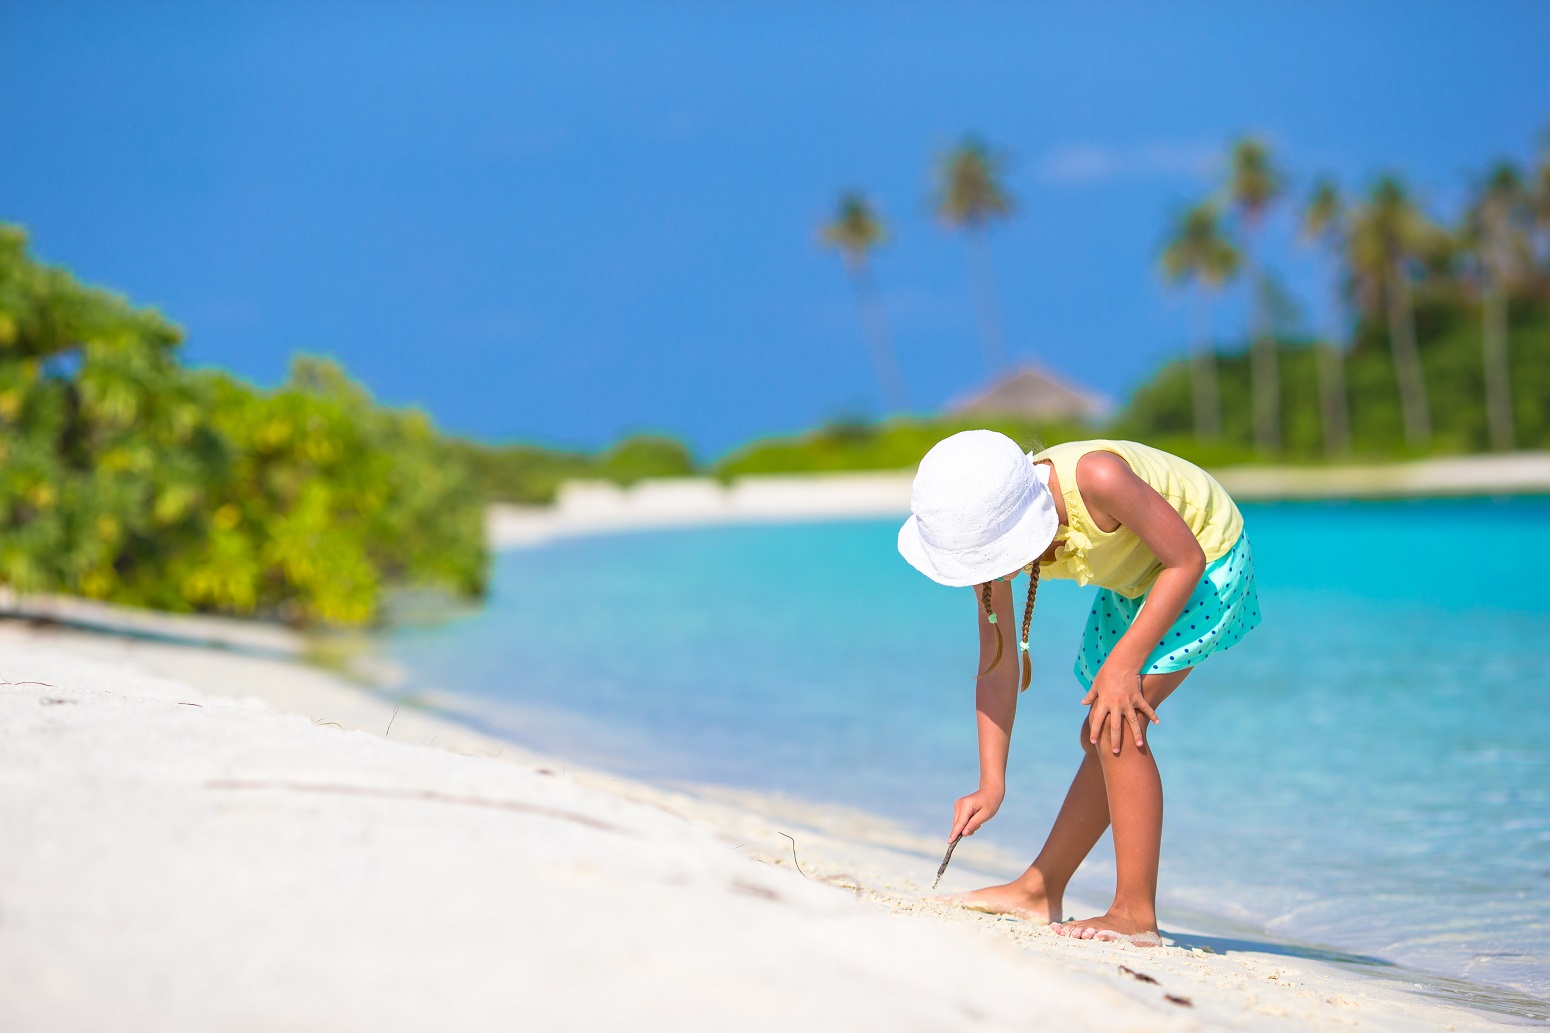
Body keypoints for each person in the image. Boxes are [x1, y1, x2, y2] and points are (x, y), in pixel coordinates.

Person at [897, 430, 1259, 945]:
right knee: (1097, 731)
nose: (991, 571)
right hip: (1138, 578)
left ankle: (1136, 914)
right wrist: (991, 782)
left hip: (1202, 562)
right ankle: (1037, 890)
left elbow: (1186, 561)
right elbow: (997, 663)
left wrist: (1127, 663)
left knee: (1116, 718)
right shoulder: (987, 536)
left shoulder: (1098, 478)